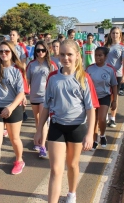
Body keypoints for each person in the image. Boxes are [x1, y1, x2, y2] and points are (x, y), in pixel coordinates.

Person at [34, 39, 98, 203]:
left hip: (77, 128)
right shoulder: (52, 77)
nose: (65, 58)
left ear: (77, 55)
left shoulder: (84, 78)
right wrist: (39, 130)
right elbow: (46, 106)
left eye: (69, 54)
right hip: (56, 127)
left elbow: (91, 109)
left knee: (72, 165)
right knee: (55, 169)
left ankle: (71, 193)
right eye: (62, 54)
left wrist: (90, 134)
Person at [0, 41, 28, 189]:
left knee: (14, 139)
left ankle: (19, 160)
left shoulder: (17, 70)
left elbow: (21, 92)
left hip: (14, 107)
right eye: (1, 51)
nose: (3, 54)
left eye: (7, 51)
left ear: (12, 53)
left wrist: (11, 107)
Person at [26, 41, 58, 158]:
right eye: (38, 50)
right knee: (37, 119)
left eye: (43, 50)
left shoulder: (51, 64)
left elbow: (55, 81)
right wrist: (25, 95)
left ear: (46, 51)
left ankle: (42, 146)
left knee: (43, 121)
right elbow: (27, 81)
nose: (40, 52)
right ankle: (38, 139)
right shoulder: (31, 64)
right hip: (34, 96)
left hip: (46, 96)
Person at [86, 47, 117, 149]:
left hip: (104, 96)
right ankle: (94, 140)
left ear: (105, 57)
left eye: (100, 55)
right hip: (92, 98)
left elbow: (114, 85)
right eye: (96, 55)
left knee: (102, 119)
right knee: (93, 120)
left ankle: (102, 135)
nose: (97, 57)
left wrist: (114, 100)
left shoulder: (110, 69)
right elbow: (84, 84)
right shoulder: (89, 68)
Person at [105, 27, 124, 128]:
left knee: (114, 97)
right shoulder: (105, 46)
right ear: (110, 34)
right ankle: (105, 115)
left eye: (117, 33)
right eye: (113, 33)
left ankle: (112, 118)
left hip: (117, 75)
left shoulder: (122, 47)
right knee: (104, 95)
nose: (115, 35)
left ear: (120, 34)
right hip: (105, 74)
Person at [9, 30, 29, 121]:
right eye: (10, 35)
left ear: (18, 36)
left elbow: (23, 62)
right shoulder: (8, 46)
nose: (11, 36)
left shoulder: (21, 47)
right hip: (9, 72)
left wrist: (23, 73)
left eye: (13, 35)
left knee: (21, 93)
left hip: (19, 72)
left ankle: (23, 111)